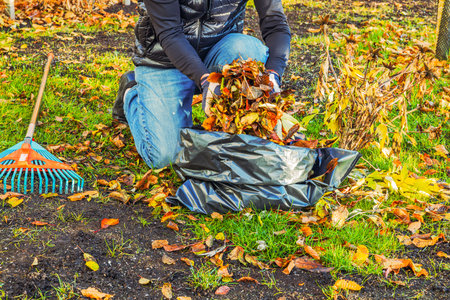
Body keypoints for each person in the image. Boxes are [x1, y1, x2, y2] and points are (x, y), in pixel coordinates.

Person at [113, 0, 291, 169]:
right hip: (164, 58)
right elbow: (169, 33)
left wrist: (273, 74)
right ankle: (133, 92)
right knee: (166, 156)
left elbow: (275, 21)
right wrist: (205, 80)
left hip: (220, 49)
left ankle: (231, 126)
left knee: (250, 50)